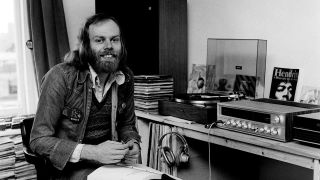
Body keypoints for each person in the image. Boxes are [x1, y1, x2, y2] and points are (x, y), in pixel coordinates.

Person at [29, 13, 141, 179]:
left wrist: (132, 142)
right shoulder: (60, 77)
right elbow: (38, 140)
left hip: (111, 167)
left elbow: (127, 124)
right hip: (68, 170)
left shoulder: (126, 77)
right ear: (86, 45)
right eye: (99, 40)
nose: (109, 46)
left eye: (114, 39)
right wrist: (93, 152)